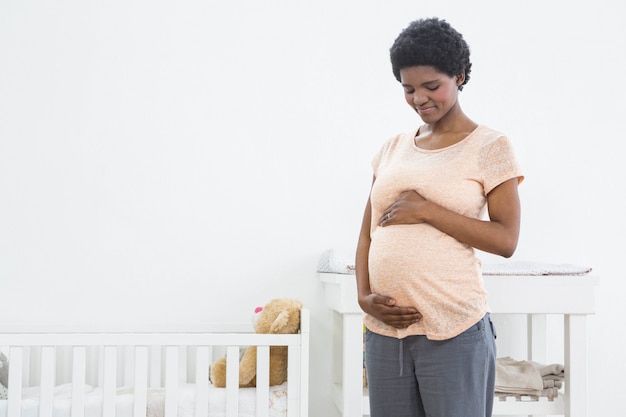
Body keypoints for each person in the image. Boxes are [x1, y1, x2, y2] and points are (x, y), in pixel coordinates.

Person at [355, 17, 523, 417]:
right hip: (385, 333)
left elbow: (506, 241)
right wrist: (364, 298)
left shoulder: (491, 146)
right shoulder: (392, 148)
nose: (419, 99)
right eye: (408, 89)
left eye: (432, 86)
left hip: (454, 330)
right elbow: (366, 236)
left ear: (459, 76)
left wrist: (428, 210)